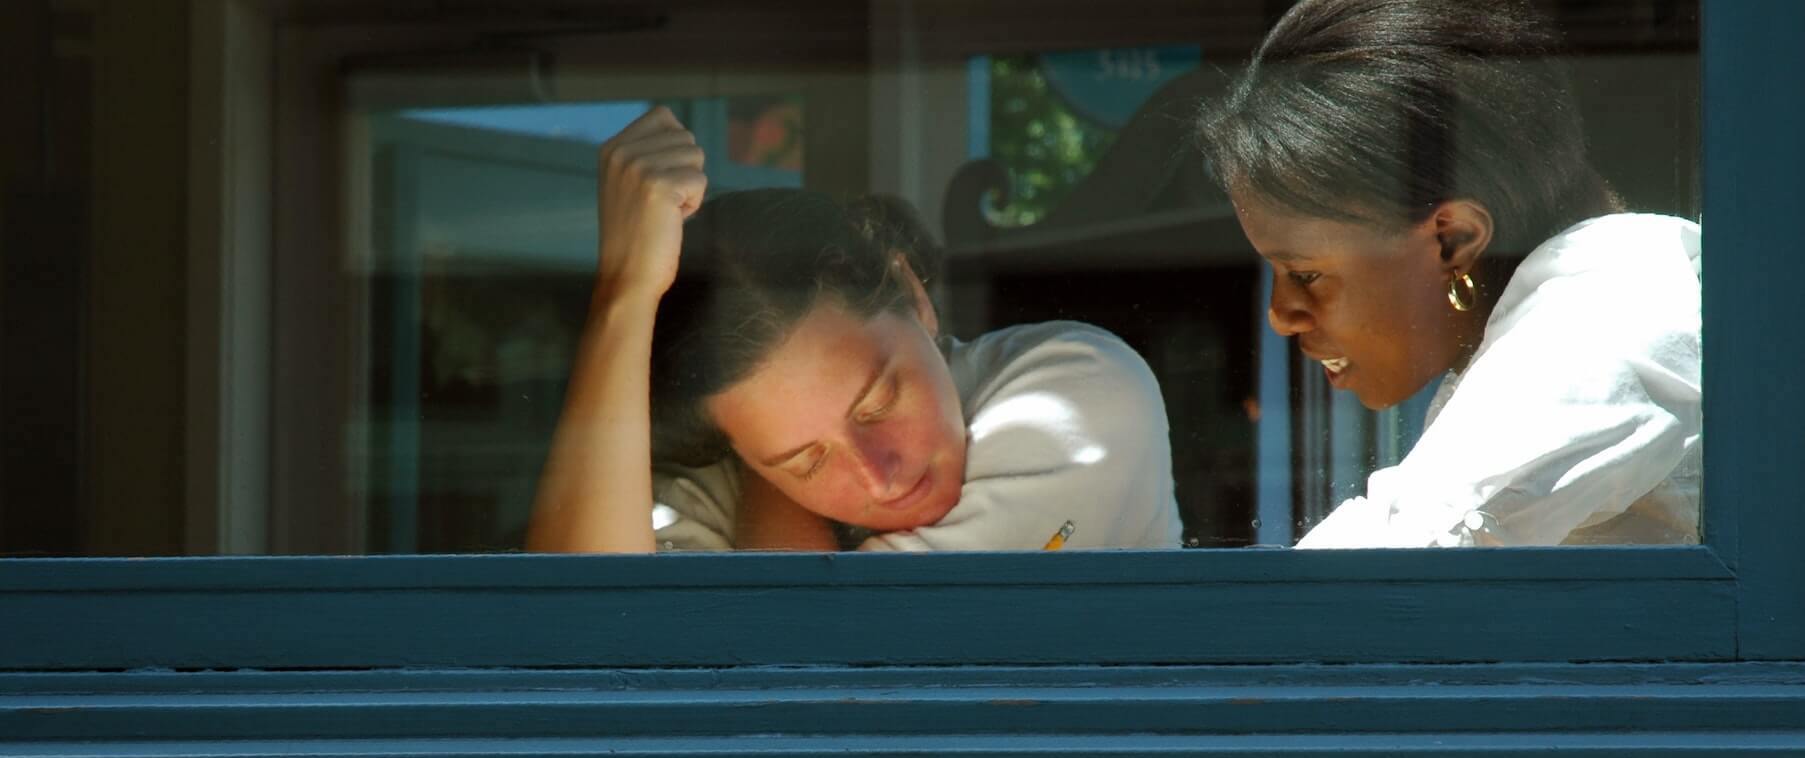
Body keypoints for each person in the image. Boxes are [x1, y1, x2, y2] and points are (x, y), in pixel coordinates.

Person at [527, 107, 1182, 553]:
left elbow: (831, 667)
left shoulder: (1074, 394)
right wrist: (622, 299)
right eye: (805, 460)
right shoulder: (715, 479)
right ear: (743, 454)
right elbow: (579, 642)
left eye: (877, 402)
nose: (880, 476)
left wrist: (787, 463)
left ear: (911, 292)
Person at [1194, 0, 1701, 547]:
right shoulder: (1595, 298)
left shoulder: (1602, 323)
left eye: (1305, 274)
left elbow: (1402, 556)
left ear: (1452, 239)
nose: (1280, 317)